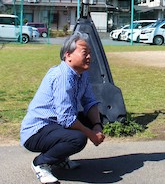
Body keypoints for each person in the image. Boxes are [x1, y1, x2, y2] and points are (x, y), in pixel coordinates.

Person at [20, 32, 105, 183]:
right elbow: (66, 118)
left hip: (54, 125)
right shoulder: (62, 76)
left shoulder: (82, 74)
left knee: (94, 117)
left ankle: (59, 159)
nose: (89, 57)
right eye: (85, 53)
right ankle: (41, 163)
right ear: (68, 55)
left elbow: (90, 102)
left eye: (90, 53)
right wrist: (91, 135)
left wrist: (97, 127)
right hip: (37, 131)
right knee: (78, 139)